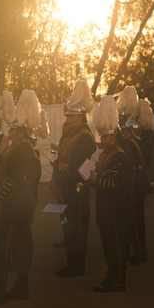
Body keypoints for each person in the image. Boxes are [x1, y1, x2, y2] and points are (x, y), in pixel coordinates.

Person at [0, 90, 43, 306]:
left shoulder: (24, 148)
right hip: (19, 206)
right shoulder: (14, 148)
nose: (10, 131)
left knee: (4, 249)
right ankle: (21, 288)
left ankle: (0, 292)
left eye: (14, 129)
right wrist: (0, 153)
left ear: (22, 131)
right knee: (24, 248)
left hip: (16, 206)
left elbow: (15, 180)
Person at [90, 96, 132, 294]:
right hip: (105, 209)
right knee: (108, 246)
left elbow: (118, 183)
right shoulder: (106, 154)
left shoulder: (120, 155)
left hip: (116, 210)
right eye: (102, 136)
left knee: (116, 245)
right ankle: (111, 275)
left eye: (106, 136)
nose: (102, 139)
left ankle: (118, 280)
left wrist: (96, 181)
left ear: (114, 135)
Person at [53, 103, 96, 277]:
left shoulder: (85, 136)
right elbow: (60, 158)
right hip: (65, 186)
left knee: (76, 228)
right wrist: (54, 178)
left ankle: (77, 264)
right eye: (67, 116)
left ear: (81, 117)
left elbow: (78, 164)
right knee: (67, 226)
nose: (68, 119)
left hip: (76, 187)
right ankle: (71, 261)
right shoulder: (69, 134)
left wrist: (59, 178)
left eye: (71, 117)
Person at [120, 118, 152, 264]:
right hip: (141, 181)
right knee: (139, 218)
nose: (123, 133)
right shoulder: (139, 142)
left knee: (134, 219)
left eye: (125, 130)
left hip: (134, 183)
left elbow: (125, 162)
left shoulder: (129, 144)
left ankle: (139, 251)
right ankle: (141, 249)